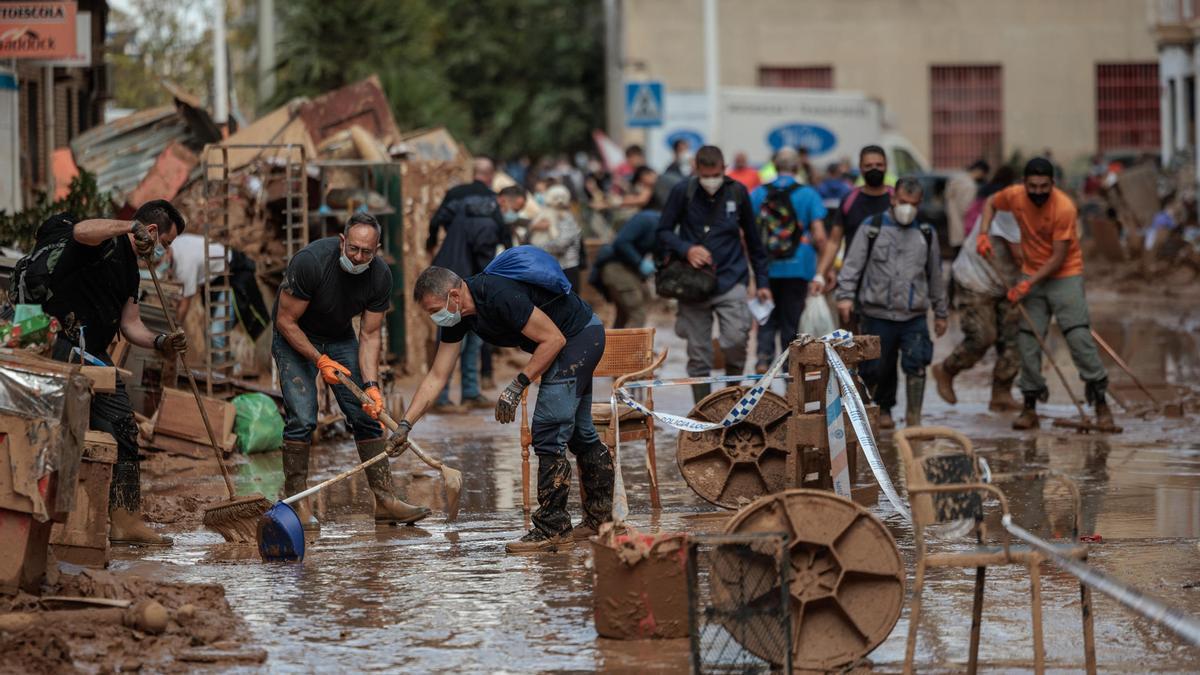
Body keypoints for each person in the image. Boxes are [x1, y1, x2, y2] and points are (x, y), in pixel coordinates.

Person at [396, 257, 613, 553]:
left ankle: (553, 529)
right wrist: (405, 425)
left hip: (578, 337)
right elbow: (437, 376)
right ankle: (600, 520)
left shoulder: (497, 294)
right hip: (570, 340)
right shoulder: (458, 317)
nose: (436, 318)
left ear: (454, 295)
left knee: (548, 429)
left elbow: (553, 339)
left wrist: (516, 386)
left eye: (435, 311)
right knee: (579, 432)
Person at [43, 200, 188, 546]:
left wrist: (161, 341)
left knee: (122, 426)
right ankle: (59, 517)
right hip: (63, 344)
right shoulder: (105, 242)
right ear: (151, 232)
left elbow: (131, 324)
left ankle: (124, 520)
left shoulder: (133, 270)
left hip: (93, 352)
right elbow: (81, 231)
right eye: (166, 243)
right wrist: (127, 227)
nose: (165, 252)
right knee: (68, 429)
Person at [273, 213, 430, 530]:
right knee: (303, 417)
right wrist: (320, 360)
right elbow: (284, 321)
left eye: (367, 252)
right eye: (354, 248)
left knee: (367, 414)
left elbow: (370, 335)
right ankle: (296, 501)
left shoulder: (380, 277)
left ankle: (385, 501)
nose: (359, 257)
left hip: (338, 335)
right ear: (342, 241)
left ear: (378, 249)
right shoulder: (311, 262)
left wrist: (371, 385)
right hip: (295, 336)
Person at [976, 157, 1112, 430]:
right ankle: (1030, 407)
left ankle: (1101, 405)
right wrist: (983, 232)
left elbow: (1058, 257)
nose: (1038, 191)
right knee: (1028, 341)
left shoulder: (1064, 208)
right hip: (1032, 273)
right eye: (1032, 186)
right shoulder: (1014, 196)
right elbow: (990, 202)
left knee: (1078, 338)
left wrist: (1027, 284)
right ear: (1024, 184)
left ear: (1053, 184)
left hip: (1064, 274)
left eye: (1044, 186)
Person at [657, 145, 773, 403]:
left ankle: (733, 401)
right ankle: (703, 412)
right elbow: (663, 230)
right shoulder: (682, 191)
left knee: (736, 340)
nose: (711, 181)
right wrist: (687, 249)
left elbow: (754, 242)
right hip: (692, 284)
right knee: (698, 354)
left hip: (732, 278)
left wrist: (762, 281)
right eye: (705, 175)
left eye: (715, 174)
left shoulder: (738, 192)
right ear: (696, 170)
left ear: (724, 169)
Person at [835, 177, 948, 429]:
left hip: (914, 315)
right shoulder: (872, 227)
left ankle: (914, 420)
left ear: (920, 204)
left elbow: (935, 276)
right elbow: (852, 265)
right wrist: (844, 297)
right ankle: (882, 411)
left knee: (916, 363)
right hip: (877, 313)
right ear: (893, 199)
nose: (907, 208)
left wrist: (941, 313)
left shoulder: (926, 234)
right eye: (903, 202)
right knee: (876, 368)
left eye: (913, 204)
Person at [426, 157, 505, 412]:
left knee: (467, 335)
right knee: (456, 337)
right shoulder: (490, 212)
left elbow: (435, 221)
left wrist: (431, 245)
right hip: (461, 279)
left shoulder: (456, 197)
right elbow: (494, 245)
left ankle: (468, 393)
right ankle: (443, 397)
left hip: (448, 270)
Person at [931, 211, 1022, 412]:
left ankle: (1001, 393)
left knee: (1013, 339)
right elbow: (1021, 256)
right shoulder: (1009, 210)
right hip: (975, 279)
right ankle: (947, 369)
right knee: (983, 337)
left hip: (1008, 283)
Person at [750, 147, 827, 372]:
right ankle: (790, 372)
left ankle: (763, 360)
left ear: (774, 166)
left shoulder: (757, 193)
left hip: (766, 267)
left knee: (766, 319)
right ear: (797, 167)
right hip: (799, 266)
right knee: (791, 323)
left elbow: (747, 235)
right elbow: (821, 236)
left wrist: (753, 269)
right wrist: (824, 268)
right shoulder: (809, 194)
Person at [816, 145, 894, 328]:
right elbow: (834, 241)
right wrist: (820, 274)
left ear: (886, 166)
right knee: (850, 342)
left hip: (888, 285)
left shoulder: (895, 199)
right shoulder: (850, 200)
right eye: (868, 165)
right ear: (860, 168)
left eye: (879, 165)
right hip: (853, 282)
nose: (874, 169)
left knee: (884, 345)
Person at [589, 207, 660, 328]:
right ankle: (630, 346)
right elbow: (621, 242)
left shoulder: (665, 228)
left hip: (629, 269)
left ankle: (615, 345)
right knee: (638, 313)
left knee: (626, 313)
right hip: (616, 268)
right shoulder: (646, 220)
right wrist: (639, 262)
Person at [527, 185, 583, 290]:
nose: (560, 201)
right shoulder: (545, 213)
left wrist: (537, 248)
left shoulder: (567, 218)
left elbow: (561, 244)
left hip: (566, 266)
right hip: (553, 267)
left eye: (562, 197)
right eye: (556, 198)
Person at [945, 160, 990, 248]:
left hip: (953, 225)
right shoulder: (970, 186)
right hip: (964, 229)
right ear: (980, 171)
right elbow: (966, 209)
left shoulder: (956, 179)